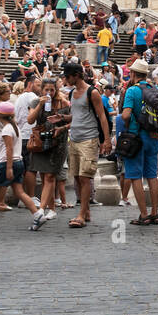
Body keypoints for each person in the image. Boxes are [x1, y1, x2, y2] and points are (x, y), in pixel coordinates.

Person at [0, 102, 47, 233]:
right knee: (19, 191)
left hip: (9, 163)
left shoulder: (6, 130)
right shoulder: (15, 127)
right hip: (18, 161)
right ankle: (37, 215)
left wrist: (8, 167)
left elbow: (9, 149)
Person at [62, 62, 111, 229]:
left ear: (76, 75)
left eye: (67, 76)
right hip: (74, 138)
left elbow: (102, 117)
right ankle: (86, 210)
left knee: (85, 177)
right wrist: (62, 119)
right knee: (76, 176)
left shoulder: (93, 92)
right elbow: (76, 116)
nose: (65, 79)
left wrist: (107, 140)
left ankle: (82, 214)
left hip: (89, 139)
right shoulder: (72, 93)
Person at [121, 58, 158, 225]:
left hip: (135, 137)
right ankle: (155, 213)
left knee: (135, 176)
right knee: (152, 176)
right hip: (152, 137)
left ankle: (144, 214)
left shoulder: (132, 91)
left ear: (132, 74)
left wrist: (127, 124)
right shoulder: (155, 89)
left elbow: (125, 115)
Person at [28, 79, 69, 223]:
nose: (49, 93)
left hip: (58, 142)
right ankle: (52, 209)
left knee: (50, 177)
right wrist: (40, 104)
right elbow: (30, 120)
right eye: (46, 90)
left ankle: (41, 209)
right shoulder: (35, 102)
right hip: (41, 142)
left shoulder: (63, 103)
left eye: (52, 90)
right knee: (44, 176)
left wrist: (62, 126)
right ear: (41, 90)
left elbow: (71, 120)